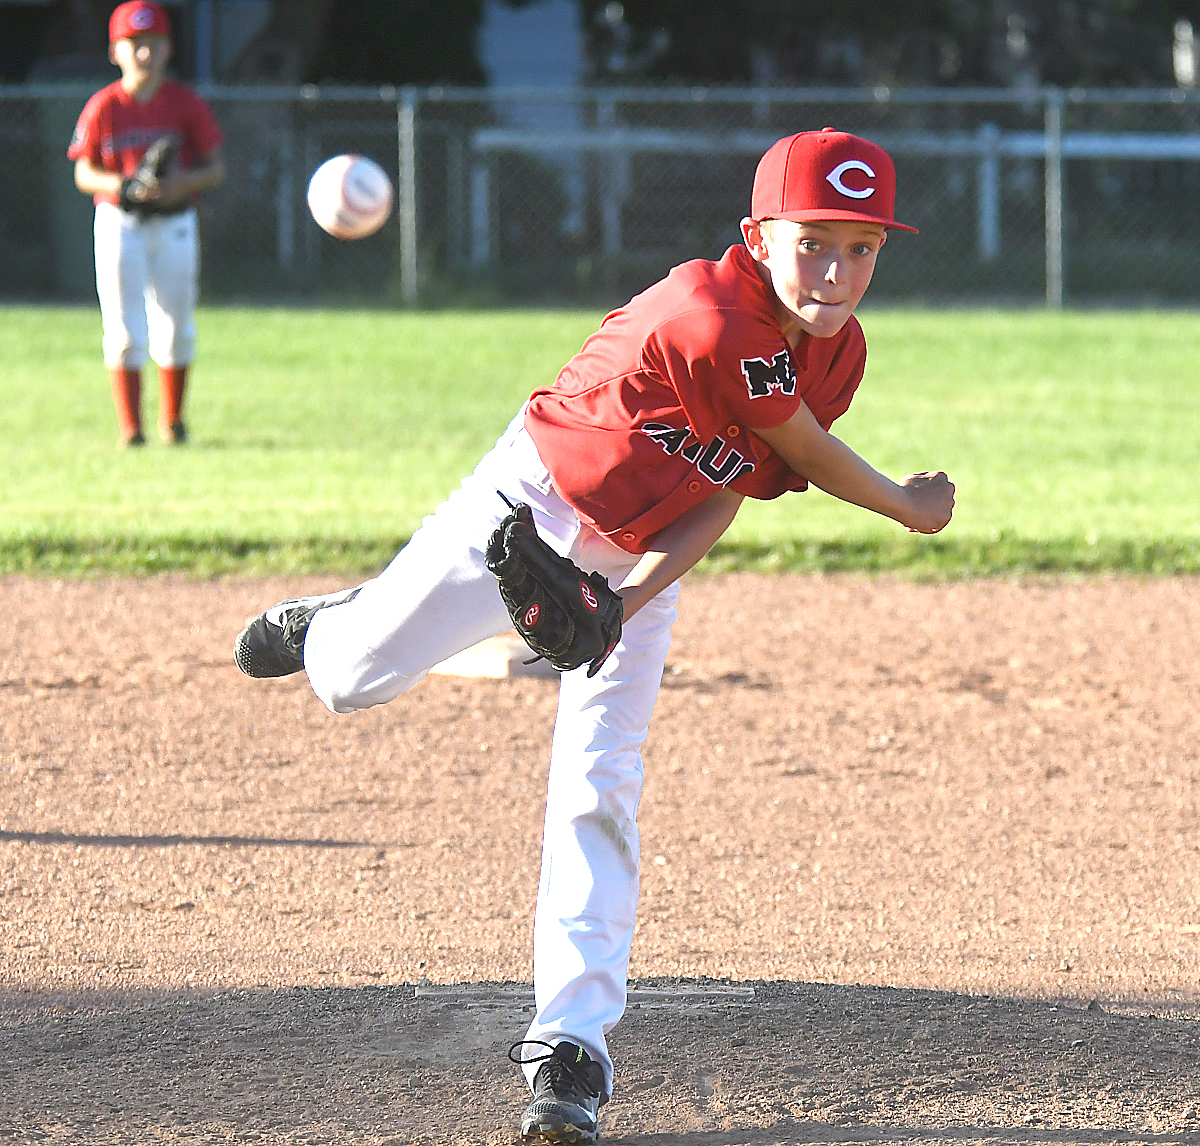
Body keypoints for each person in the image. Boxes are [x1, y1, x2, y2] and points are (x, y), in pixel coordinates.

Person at [235, 128, 955, 1143]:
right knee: (351, 680)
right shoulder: (712, 315)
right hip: (527, 507)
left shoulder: (840, 355)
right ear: (757, 236)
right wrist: (907, 505)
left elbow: (729, 488)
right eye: (814, 243)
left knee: (600, 784)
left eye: (864, 248)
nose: (838, 273)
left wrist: (625, 600)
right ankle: (342, 620)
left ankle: (570, 1052)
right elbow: (808, 453)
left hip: (639, 551)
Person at [68, 1, 225, 448]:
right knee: (123, 328)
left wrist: (181, 182)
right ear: (115, 50)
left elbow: (216, 167)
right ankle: (131, 428)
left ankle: (173, 422)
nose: (144, 53)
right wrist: (124, 185)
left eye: (152, 43)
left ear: (168, 48)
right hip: (121, 221)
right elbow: (83, 171)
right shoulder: (104, 106)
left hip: (175, 221)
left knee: (175, 325)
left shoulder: (184, 103)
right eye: (134, 44)